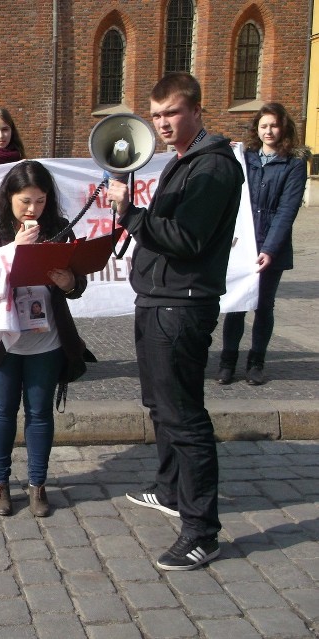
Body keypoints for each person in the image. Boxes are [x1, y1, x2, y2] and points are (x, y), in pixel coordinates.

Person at [106, 72, 244, 571]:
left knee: (184, 416)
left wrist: (131, 215)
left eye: (172, 113)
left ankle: (201, 531)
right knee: (160, 405)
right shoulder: (183, 163)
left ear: (197, 111)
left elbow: (185, 239)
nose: (162, 123)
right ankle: (168, 489)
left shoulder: (212, 169)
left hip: (181, 306)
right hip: (160, 299)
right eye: (157, 114)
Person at [0, 161, 88, 518]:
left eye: (39, 200)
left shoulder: (60, 229)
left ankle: (38, 485)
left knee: (39, 412)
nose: (32, 209)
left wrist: (70, 283)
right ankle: (0, 483)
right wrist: (14, 249)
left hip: (46, 339)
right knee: (2, 410)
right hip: (4, 340)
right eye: (25, 201)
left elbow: (77, 284)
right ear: (9, 198)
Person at [217, 103, 309, 386]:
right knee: (236, 305)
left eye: (274, 125)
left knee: (264, 306)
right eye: (264, 125)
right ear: (257, 129)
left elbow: (287, 210)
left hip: (271, 246)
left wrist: (269, 249)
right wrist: (224, 145)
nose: (269, 131)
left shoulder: (293, 164)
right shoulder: (245, 157)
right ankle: (227, 362)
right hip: (241, 244)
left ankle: (256, 362)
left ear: (284, 128)